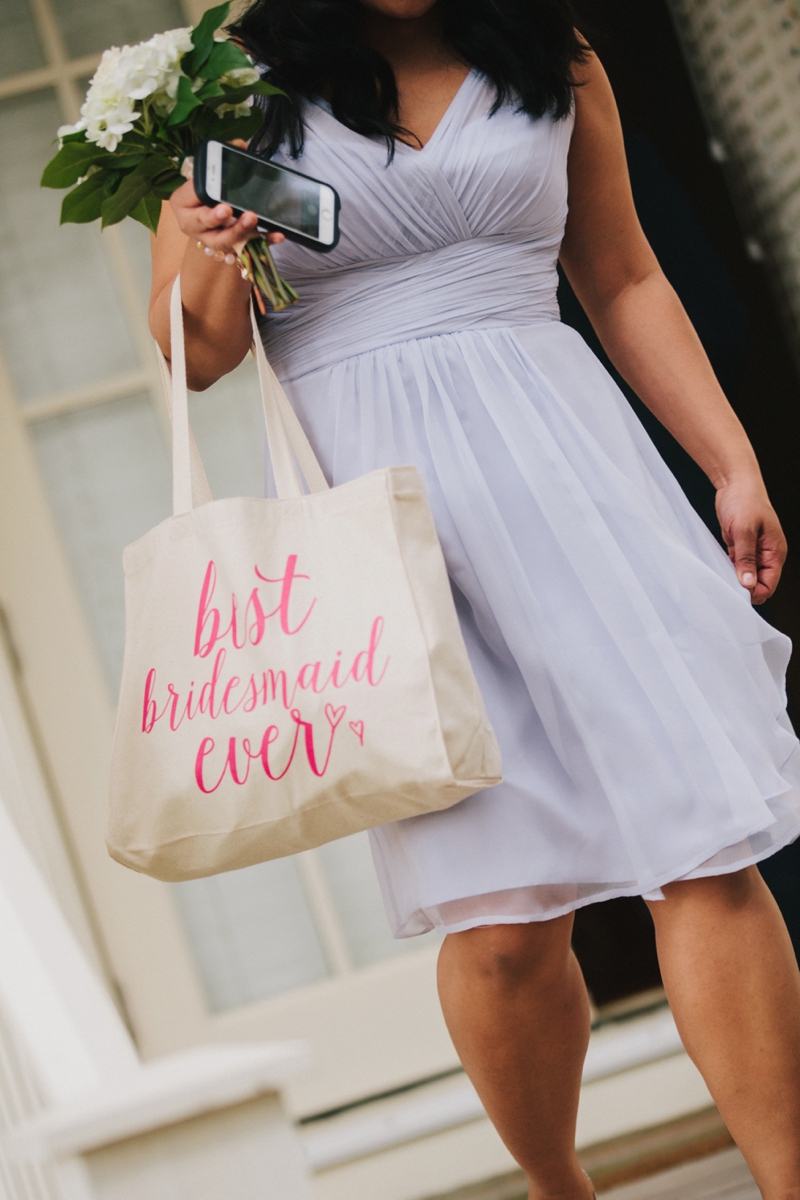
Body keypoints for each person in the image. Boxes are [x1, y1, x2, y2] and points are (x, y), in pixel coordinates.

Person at [149, 2, 800, 1196]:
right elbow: (192, 355)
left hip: (575, 481)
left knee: (704, 846)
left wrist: (727, 460)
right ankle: (557, 1189)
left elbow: (621, 274)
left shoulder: (554, 54)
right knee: (502, 926)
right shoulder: (228, 88)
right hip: (382, 525)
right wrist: (201, 244)